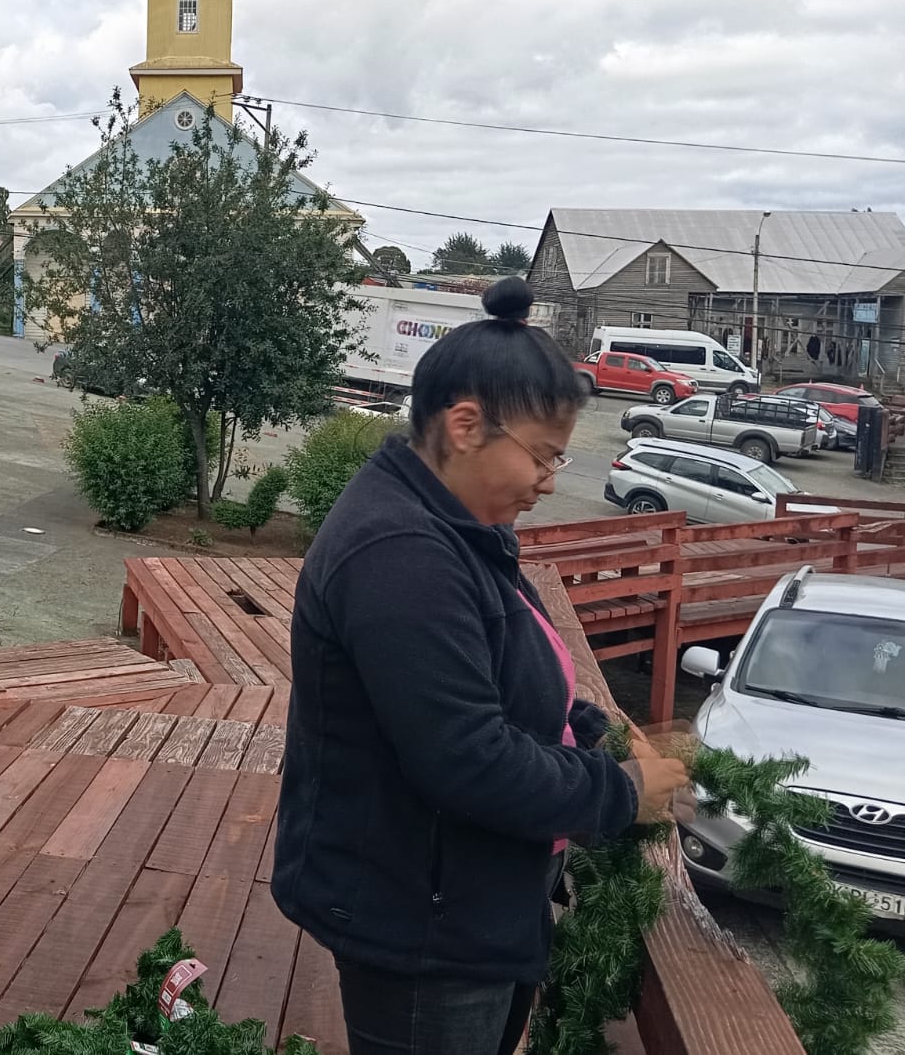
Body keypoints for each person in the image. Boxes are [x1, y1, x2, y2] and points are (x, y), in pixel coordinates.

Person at [271, 278, 694, 1055]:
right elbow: (467, 759)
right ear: (466, 425)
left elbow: (505, 667)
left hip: (455, 897)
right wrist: (622, 792)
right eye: (541, 455)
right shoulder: (401, 556)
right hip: (420, 919)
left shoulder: (448, 524)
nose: (550, 480)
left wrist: (594, 731)